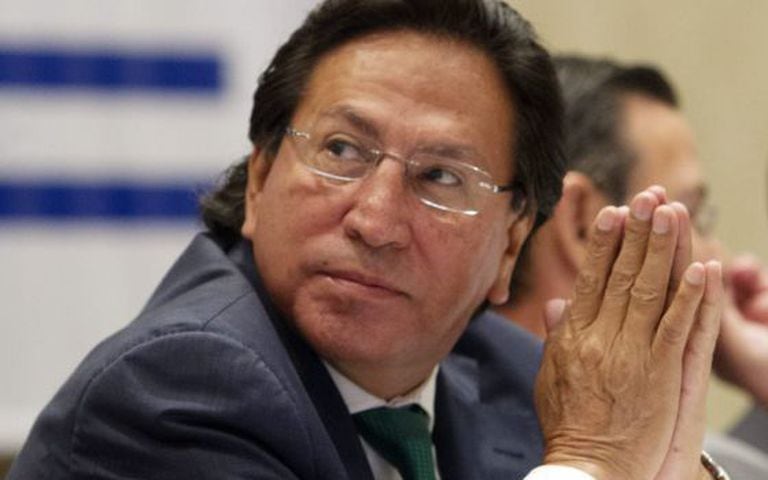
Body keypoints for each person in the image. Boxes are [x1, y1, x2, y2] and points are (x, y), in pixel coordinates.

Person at [9, 2, 723, 479]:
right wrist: (589, 461)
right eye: (342, 151)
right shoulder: (182, 387)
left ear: (511, 245)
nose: (374, 221)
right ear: (259, 179)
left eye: (440, 176)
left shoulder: (510, 375)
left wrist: (671, 459)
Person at [497, 54, 768, 477]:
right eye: (692, 215)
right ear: (583, 223)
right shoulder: (442, 445)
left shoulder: (716, 461)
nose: (725, 260)